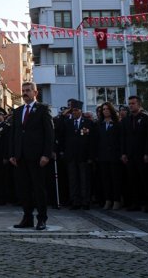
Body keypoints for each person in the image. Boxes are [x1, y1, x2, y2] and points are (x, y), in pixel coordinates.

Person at [9, 82, 54, 230]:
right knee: (24, 189)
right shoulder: (18, 111)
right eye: (23, 90)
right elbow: (14, 134)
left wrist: (46, 154)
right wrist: (12, 153)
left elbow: (49, 133)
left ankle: (42, 218)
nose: (25, 93)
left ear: (35, 93)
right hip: (21, 156)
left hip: (37, 156)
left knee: (39, 188)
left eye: (28, 90)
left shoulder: (42, 109)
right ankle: (27, 217)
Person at [58, 101, 94, 210]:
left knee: (84, 180)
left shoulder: (88, 122)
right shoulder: (67, 123)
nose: (74, 112)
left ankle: (85, 201)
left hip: (83, 156)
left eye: (76, 110)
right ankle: (75, 201)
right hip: (71, 156)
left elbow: (92, 141)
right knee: (73, 180)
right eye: (73, 110)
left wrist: (90, 156)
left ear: (81, 111)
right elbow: (61, 134)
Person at [121, 96, 148, 212]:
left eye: (133, 103)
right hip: (130, 155)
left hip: (142, 154)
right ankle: (135, 202)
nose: (131, 106)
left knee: (145, 180)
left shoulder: (146, 119)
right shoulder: (126, 120)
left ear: (139, 104)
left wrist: (147, 153)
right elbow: (124, 137)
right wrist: (124, 153)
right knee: (132, 180)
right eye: (129, 103)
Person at [96, 102, 124, 210]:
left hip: (115, 155)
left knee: (115, 179)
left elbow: (120, 139)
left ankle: (117, 200)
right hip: (103, 156)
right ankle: (108, 200)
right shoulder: (100, 124)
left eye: (107, 109)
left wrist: (121, 153)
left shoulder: (117, 123)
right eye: (103, 109)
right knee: (105, 179)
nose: (105, 111)